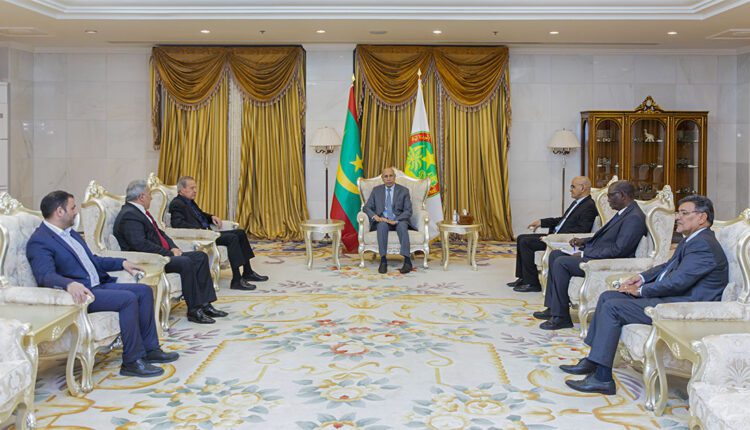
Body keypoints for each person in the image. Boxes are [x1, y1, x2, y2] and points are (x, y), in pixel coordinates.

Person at [561, 195, 728, 395]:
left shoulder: (704, 245)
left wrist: (641, 291)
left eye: (684, 213)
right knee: (607, 296)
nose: (677, 217)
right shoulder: (693, 239)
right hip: (671, 298)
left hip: (682, 307)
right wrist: (640, 278)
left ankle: (603, 379)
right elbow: (667, 266)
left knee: (612, 307)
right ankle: (593, 361)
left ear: (702, 217)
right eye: (678, 213)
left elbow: (678, 282)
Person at [26, 190, 179, 378]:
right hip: (84, 294)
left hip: (99, 284)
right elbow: (45, 275)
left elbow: (93, 260)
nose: (76, 212)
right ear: (59, 211)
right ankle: (132, 361)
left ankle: (151, 349)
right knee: (128, 299)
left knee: (144, 291)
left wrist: (122, 263)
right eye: (73, 208)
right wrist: (68, 284)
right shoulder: (40, 241)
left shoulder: (71, 234)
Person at [534, 180, 647, 330]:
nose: (608, 200)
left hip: (605, 262)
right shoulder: (624, 212)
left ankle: (561, 318)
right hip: (598, 252)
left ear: (622, 195)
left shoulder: (634, 217)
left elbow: (619, 250)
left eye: (610, 196)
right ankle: (552, 308)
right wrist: (584, 241)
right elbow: (605, 236)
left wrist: (584, 252)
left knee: (561, 262)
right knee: (555, 255)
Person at [113, 180, 226, 325]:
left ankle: (206, 304)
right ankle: (194, 310)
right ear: (141, 197)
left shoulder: (139, 212)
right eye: (149, 194)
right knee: (186, 262)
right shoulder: (129, 215)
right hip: (151, 260)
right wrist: (169, 253)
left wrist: (173, 247)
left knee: (200, 256)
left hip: (163, 254)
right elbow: (140, 245)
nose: (151, 198)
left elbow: (160, 233)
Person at [168, 176, 267, 291]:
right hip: (204, 236)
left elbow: (200, 215)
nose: (195, 190)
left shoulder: (189, 201)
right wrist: (199, 230)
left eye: (195, 188)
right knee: (232, 238)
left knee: (240, 233)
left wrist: (211, 217)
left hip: (209, 233)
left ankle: (248, 272)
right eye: (192, 188)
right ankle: (236, 280)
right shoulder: (177, 203)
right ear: (182, 190)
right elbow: (178, 224)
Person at [510, 176, 598, 293]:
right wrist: (541, 222)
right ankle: (523, 278)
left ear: (582, 188)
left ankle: (532, 283)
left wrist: (553, 238)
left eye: (573, 186)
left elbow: (582, 230)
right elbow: (562, 220)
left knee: (526, 242)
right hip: (554, 236)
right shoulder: (577, 203)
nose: (570, 189)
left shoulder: (589, 206)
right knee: (521, 238)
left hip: (561, 241)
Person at [363, 167, 414, 274]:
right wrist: (375, 216)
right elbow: (366, 207)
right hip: (383, 220)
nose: (389, 178)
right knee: (381, 226)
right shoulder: (376, 191)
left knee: (402, 226)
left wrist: (396, 220)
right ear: (382, 178)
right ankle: (383, 261)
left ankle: (407, 261)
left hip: (399, 219)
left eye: (391, 176)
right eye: (386, 176)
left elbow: (408, 211)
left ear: (395, 177)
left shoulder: (404, 190)